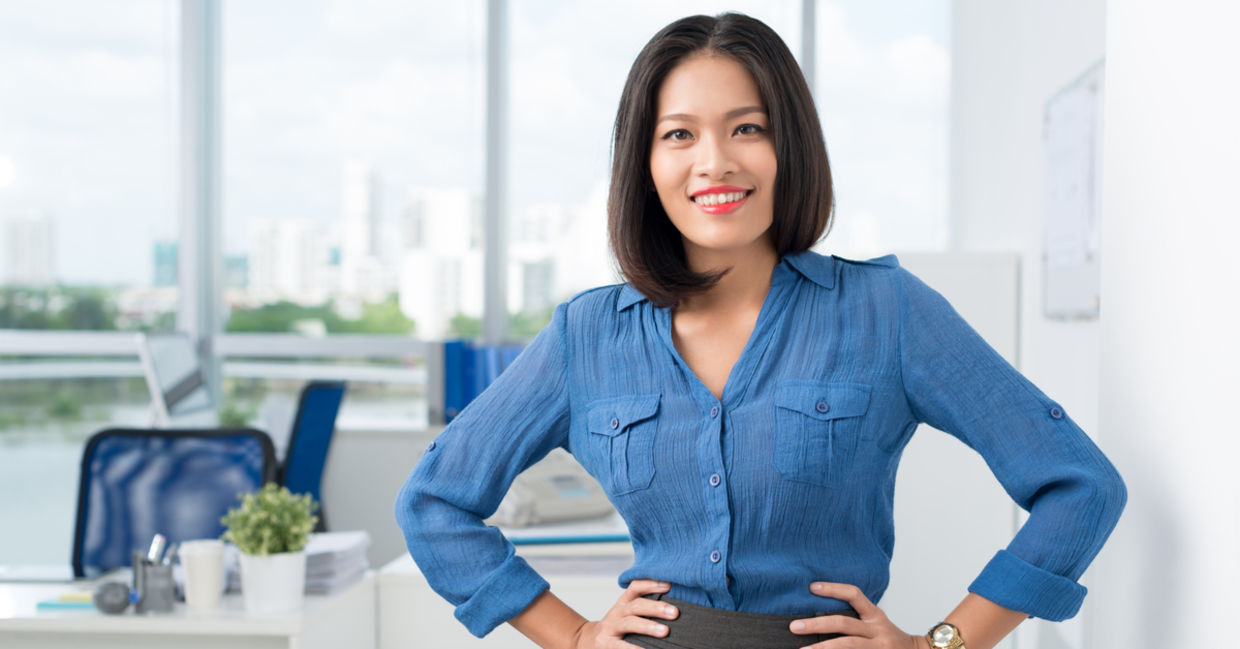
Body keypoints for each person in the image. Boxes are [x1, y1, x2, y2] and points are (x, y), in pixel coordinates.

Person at [394, 12, 1127, 649]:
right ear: (645, 164)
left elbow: (1080, 486)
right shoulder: (585, 335)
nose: (715, 161)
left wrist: (944, 640)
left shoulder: (887, 310)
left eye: (748, 128)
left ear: (790, 149)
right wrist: (571, 631)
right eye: (678, 134)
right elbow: (433, 502)